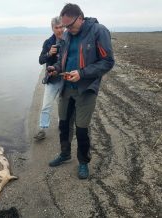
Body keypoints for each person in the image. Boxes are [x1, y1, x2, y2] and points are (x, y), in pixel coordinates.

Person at [47, 3, 114, 179]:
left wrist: (82, 73)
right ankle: (65, 153)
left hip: (86, 89)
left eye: (70, 25)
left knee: (82, 128)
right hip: (66, 87)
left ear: (80, 18)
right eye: (64, 26)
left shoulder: (98, 31)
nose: (66, 29)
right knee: (63, 123)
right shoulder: (68, 35)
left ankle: (83, 162)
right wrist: (55, 67)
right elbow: (62, 57)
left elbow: (107, 62)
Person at [34, 17, 73, 141]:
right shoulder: (48, 42)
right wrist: (49, 54)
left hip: (66, 78)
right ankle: (42, 130)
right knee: (46, 106)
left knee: (63, 105)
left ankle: (61, 125)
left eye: (61, 26)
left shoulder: (70, 39)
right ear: (52, 28)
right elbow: (41, 60)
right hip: (52, 79)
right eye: (57, 27)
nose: (60, 30)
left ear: (65, 26)